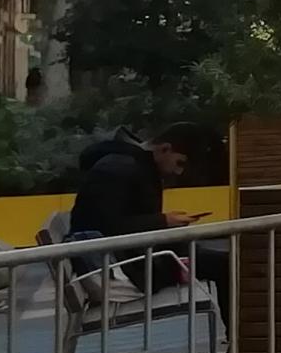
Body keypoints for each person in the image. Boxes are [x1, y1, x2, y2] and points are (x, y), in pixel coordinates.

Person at [67, 122, 212, 295]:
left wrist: (165, 221)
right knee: (223, 266)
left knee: (218, 261)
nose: (178, 172)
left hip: (129, 260)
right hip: (124, 268)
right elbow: (106, 226)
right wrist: (164, 220)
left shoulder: (135, 165)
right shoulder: (122, 168)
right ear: (164, 149)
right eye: (179, 163)